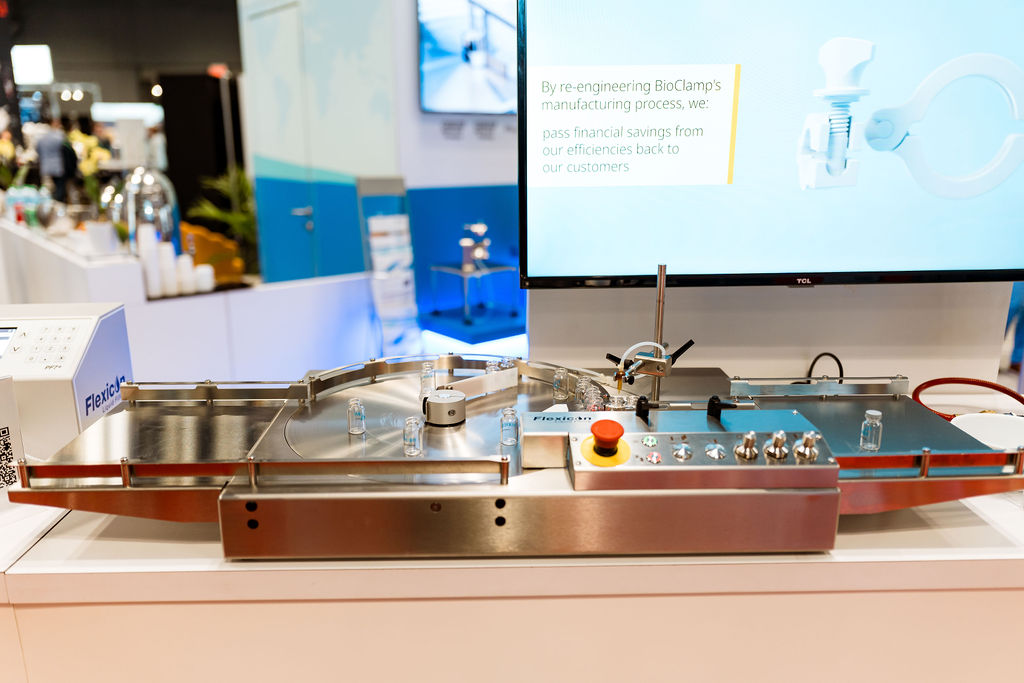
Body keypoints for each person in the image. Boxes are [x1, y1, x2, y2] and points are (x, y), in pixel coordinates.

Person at [36, 114, 74, 202]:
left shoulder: (42, 138)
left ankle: (48, 204)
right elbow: (67, 149)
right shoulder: (60, 136)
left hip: (45, 166)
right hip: (58, 166)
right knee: (59, 189)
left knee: (47, 190)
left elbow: (38, 150)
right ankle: (57, 204)